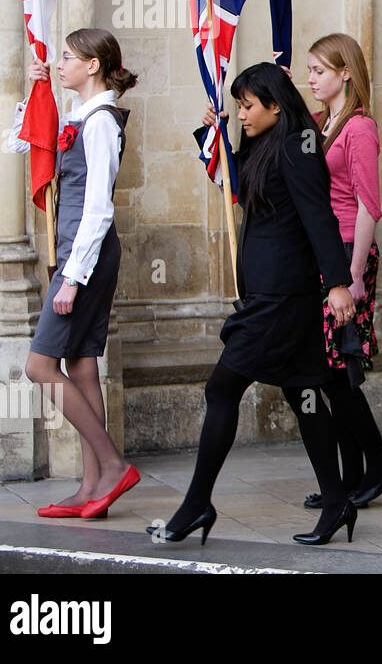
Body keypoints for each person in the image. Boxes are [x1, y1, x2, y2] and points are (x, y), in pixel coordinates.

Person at [150, 63, 358, 546]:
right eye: (239, 105)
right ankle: (337, 501)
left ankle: (197, 503)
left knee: (221, 389)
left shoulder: (298, 147)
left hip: (282, 298)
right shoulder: (265, 144)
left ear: (275, 104)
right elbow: (236, 186)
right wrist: (214, 131)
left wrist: (338, 283)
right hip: (271, 294)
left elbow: (319, 217)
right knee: (305, 398)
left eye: (247, 105)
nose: (242, 113)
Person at [24, 29, 140, 519]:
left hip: (85, 256)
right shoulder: (83, 116)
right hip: (79, 252)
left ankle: (112, 465)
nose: (62, 63)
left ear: (93, 65)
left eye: (68, 57)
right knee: (83, 365)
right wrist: (37, 89)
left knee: (39, 367)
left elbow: (97, 209)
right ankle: (93, 487)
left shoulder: (100, 124)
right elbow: (28, 140)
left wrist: (71, 277)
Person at [300, 33, 382, 509]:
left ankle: (377, 466)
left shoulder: (359, 128)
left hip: (346, 252)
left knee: (339, 367)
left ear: (346, 72)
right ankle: (354, 476)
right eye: (309, 70)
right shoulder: (324, 123)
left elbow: (368, 204)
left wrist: (355, 271)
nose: (311, 78)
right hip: (328, 253)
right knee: (333, 366)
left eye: (320, 69)